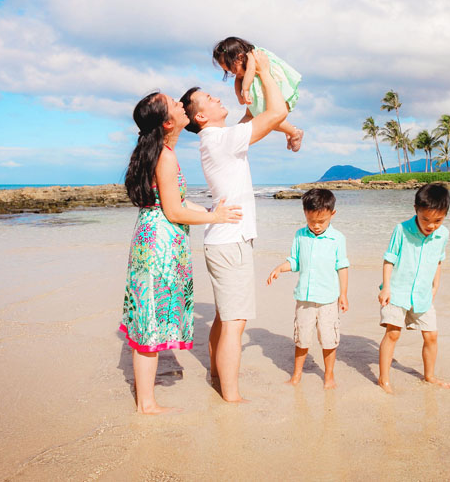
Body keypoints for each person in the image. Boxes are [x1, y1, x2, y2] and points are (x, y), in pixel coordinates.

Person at [120, 92, 242, 414]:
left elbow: (174, 201)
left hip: (153, 240)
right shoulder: (166, 156)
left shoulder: (162, 152)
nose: (180, 103)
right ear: (168, 122)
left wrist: (209, 210)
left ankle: (146, 399)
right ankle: (146, 404)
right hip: (160, 245)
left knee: (149, 318)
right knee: (150, 320)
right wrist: (215, 218)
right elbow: (174, 212)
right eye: (175, 103)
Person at [179, 50, 288, 402]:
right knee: (235, 324)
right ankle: (231, 395)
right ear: (200, 115)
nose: (215, 96)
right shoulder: (221, 139)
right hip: (231, 241)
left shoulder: (218, 138)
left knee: (225, 317)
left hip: (224, 240)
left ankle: (216, 376)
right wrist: (268, 73)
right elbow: (276, 113)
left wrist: (250, 79)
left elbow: (254, 115)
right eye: (208, 98)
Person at [267, 188, 349, 389]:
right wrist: (280, 268)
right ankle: (296, 375)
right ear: (305, 213)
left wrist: (343, 295)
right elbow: (295, 262)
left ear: (332, 214)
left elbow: (342, 267)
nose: (317, 226)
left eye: (322, 221)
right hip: (304, 298)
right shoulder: (300, 235)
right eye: (312, 221)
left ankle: (329, 375)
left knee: (329, 339)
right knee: (301, 338)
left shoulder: (337, 238)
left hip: (329, 299)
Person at [377, 183, 450, 394]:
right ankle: (384, 379)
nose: (431, 225)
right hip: (397, 291)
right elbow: (389, 260)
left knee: (431, 336)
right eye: (426, 219)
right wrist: (386, 288)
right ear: (416, 210)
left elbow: (438, 260)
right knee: (393, 334)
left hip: (422, 295)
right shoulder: (401, 230)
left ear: (445, 215)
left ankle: (429, 376)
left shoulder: (443, 234)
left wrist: (436, 285)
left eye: (438, 220)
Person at [212, 36, 304, 152]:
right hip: (258, 86)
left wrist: (245, 90)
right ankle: (231, 136)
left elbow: (250, 70)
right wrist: (238, 95)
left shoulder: (252, 55)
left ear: (240, 58)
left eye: (233, 70)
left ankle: (294, 132)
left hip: (271, 82)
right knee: (251, 115)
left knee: (266, 116)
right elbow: (238, 79)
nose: (234, 73)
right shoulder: (240, 63)